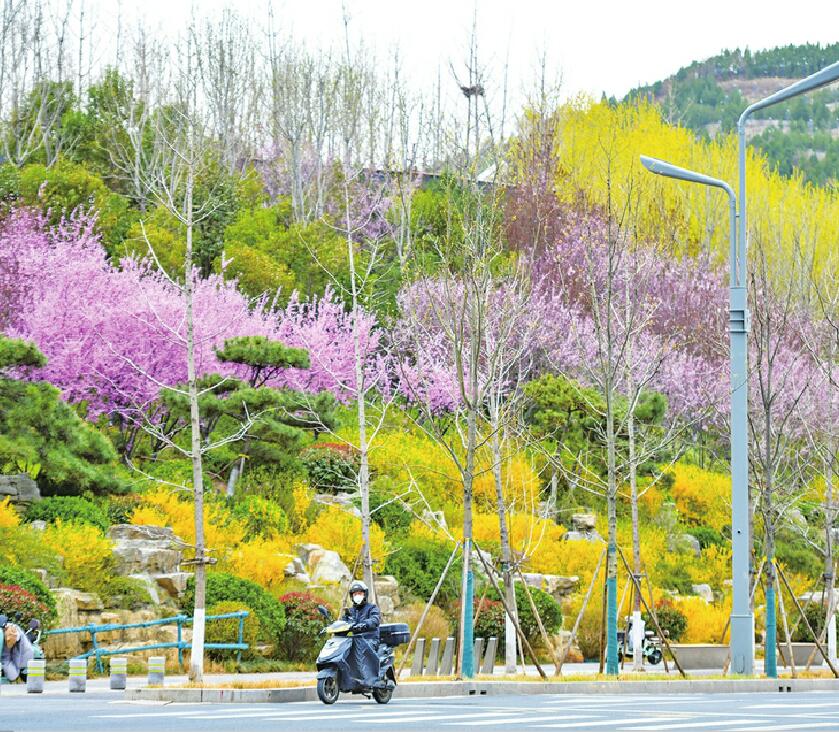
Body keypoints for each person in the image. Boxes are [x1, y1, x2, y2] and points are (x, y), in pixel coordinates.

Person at [341, 580, 381, 687]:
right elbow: (343, 622)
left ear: (365, 594)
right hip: (353, 640)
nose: (357, 596)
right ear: (351, 596)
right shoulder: (350, 611)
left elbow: (375, 619)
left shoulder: (372, 608)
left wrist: (366, 624)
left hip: (369, 640)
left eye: (360, 593)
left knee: (363, 651)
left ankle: (369, 680)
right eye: (355, 594)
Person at [1, 615, 34, 683]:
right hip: (8, 658)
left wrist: (11, 635)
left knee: (13, 675)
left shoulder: (13, 629)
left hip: (22, 657)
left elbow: (16, 636)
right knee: (12, 674)